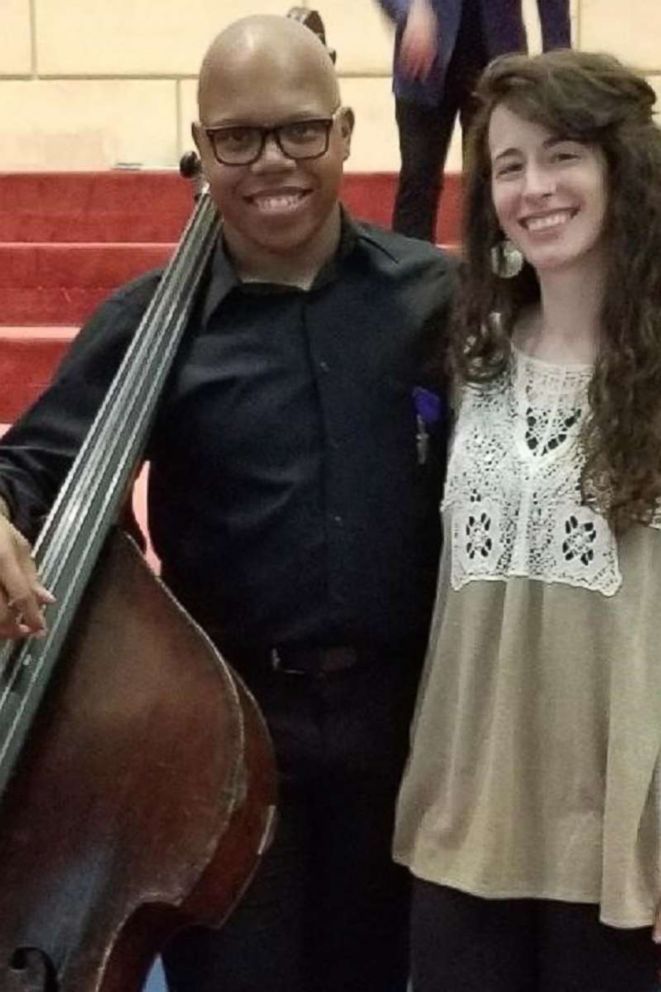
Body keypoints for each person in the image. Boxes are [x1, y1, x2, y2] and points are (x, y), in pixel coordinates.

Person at [0, 14, 455, 992]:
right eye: (237, 138)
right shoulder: (146, 324)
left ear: (342, 132)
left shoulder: (431, 297)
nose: (271, 163)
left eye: (297, 130)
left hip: (404, 728)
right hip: (226, 744)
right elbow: (27, 471)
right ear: (201, 148)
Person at [393, 49, 661, 991]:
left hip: (618, 843)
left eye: (562, 156)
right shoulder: (477, 359)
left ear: (620, 167)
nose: (534, 188)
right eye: (508, 166)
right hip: (466, 823)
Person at [376, 0, 570, 243]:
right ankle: (410, 275)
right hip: (424, 62)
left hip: (496, 61)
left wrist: (559, 64)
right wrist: (411, 9)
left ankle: (498, 275)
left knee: (493, 185)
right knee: (418, 182)